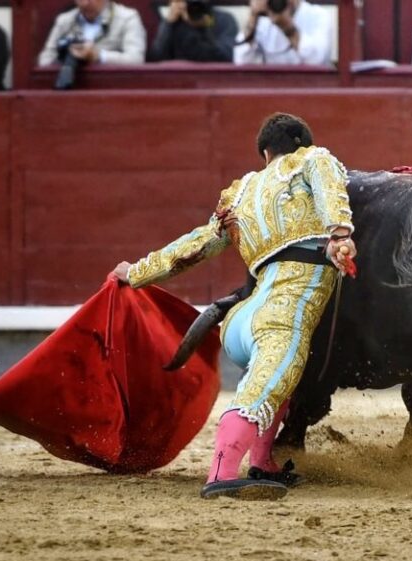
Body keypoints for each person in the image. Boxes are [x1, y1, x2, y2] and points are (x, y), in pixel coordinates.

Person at [112, 113, 357, 500]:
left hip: (242, 318)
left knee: (278, 382)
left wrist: (137, 272)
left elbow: (196, 246)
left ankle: (264, 463)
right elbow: (329, 190)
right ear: (303, 145)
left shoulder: (240, 193)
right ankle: (222, 472)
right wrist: (340, 234)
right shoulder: (313, 160)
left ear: (265, 152)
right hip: (282, 308)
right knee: (268, 383)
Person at [38, 0, 146, 67]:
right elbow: (44, 61)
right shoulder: (64, 20)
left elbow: (136, 60)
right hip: (69, 88)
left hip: (109, 88)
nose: (84, 1)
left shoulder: (128, 18)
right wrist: (66, 60)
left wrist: (98, 56)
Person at [234, 0, 333, 65]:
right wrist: (253, 16)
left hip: (312, 89)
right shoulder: (264, 20)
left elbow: (317, 60)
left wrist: (288, 27)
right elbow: (241, 60)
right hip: (274, 88)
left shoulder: (318, 15)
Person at [149, 0, 237, 63]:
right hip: (177, 81)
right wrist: (168, 24)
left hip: (211, 80)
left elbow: (227, 57)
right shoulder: (175, 20)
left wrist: (203, 27)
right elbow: (156, 58)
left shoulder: (224, 19)